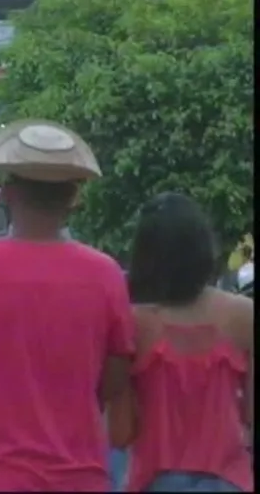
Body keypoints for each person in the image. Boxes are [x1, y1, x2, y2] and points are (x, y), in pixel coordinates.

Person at [0, 121, 132, 491]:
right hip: (82, 474)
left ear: (8, 193)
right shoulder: (106, 274)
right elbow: (113, 378)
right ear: (74, 197)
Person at [107, 193, 253, 492]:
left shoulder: (133, 324)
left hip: (155, 480)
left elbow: (119, 433)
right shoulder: (243, 315)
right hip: (229, 479)